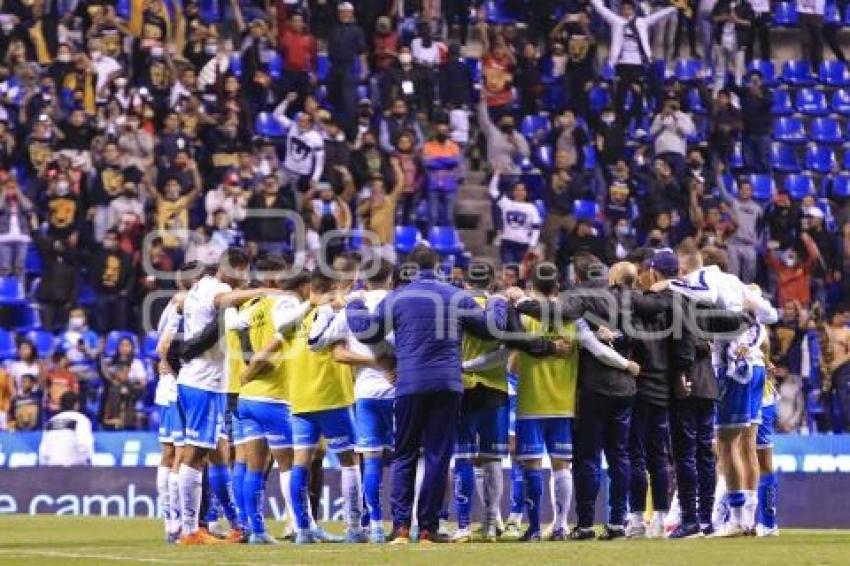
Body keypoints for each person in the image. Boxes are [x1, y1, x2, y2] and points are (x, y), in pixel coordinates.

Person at [346, 244, 507, 543]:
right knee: (436, 455)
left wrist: (354, 304)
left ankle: (402, 528)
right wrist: (497, 301)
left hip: (409, 385)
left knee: (404, 454)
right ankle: (429, 529)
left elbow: (368, 333)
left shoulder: (398, 297)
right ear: (439, 265)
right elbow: (492, 329)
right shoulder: (456, 295)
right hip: (447, 385)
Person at [511, 262, 640, 542]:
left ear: (531, 287)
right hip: (564, 402)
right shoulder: (581, 318)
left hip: (533, 402)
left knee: (541, 464)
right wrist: (627, 364)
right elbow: (599, 349)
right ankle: (573, 525)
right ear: (557, 287)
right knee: (578, 463)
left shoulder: (522, 316)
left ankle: (543, 528)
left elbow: (509, 359)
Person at [175, 248, 271, 545]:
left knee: (218, 452)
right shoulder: (218, 288)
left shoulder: (199, 286)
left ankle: (236, 525)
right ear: (236, 267)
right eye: (244, 271)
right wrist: (267, 291)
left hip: (204, 382)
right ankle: (190, 529)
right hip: (203, 383)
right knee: (195, 453)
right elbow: (226, 301)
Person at [308, 259, 396, 543]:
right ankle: (407, 524)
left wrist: (326, 309)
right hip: (399, 389)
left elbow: (317, 341)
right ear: (391, 277)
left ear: (363, 279)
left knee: (370, 460)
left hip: (367, 393)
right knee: (404, 460)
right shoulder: (401, 303)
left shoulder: (351, 308)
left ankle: (376, 527)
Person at [232, 257, 312, 544]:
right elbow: (280, 337)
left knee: (255, 466)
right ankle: (299, 526)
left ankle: (256, 531)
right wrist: (252, 367)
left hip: (248, 398)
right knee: (291, 465)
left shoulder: (252, 307)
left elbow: (232, 324)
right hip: (274, 396)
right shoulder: (284, 303)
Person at [284, 271, 365, 544]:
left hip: (300, 399)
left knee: (300, 465)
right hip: (331, 398)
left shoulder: (296, 318)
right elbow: (341, 352)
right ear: (331, 290)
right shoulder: (332, 316)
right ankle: (354, 527)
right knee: (349, 461)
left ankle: (303, 530)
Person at [589, 0, 676, 123]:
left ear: (633, 10)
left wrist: (673, 8)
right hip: (621, 64)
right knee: (620, 95)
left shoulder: (641, 22)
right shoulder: (616, 21)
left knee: (638, 95)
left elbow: (657, 16)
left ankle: (639, 125)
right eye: (623, 9)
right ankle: (620, 123)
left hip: (638, 64)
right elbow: (601, 9)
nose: (626, 11)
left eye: (628, 9)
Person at [488, 172, 542, 267]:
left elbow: (536, 229)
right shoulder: (506, 203)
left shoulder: (532, 208)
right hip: (507, 243)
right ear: (513, 192)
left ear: (526, 192)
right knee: (508, 269)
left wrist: (532, 244)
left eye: (522, 190)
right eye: (517, 190)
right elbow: (493, 190)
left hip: (523, 245)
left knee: (521, 273)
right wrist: (496, 175)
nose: (519, 192)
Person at [37, 392, 93, 466]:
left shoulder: (51, 421)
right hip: (75, 469)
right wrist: (88, 461)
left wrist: (44, 466)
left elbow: (43, 450)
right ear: (76, 405)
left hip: (52, 468)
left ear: (60, 405)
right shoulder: (81, 419)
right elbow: (84, 444)